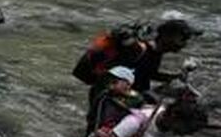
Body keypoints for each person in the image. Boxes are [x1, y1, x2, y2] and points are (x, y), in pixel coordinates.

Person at [72, 19, 200, 117]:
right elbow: (112, 75)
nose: (184, 44)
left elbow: (148, 73)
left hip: (126, 99)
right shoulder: (138, 50)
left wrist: (176, 77)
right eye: (182, 39)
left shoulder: (156, 52)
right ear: (167, 36)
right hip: (109, 99)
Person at [85, 65, 141, 137]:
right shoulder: (104, 96)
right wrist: (96, 130)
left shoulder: (137, 100)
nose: (110, 84)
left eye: (115, 81)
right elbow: (92, 116)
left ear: (128, 84)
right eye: (110, 80)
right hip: (101, 131)